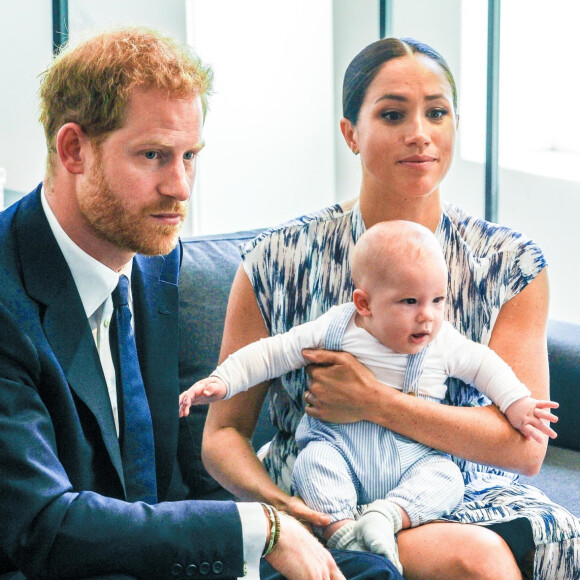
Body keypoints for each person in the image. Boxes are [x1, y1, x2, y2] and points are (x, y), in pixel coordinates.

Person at [0, 27, 403, 580]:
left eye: (190, 155)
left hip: (156, 554)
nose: (181, 187)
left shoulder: (152, 258)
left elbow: (164, 487)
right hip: (57, 566)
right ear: (73, 149)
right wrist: (257, 529)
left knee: (369, 574)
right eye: (153, 156)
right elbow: (42, 525)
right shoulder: (6, 300)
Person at [201, 37, 580, 580]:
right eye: (393, 114)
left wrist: (373, 400)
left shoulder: (508, 263)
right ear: (350, 133)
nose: (420, 133)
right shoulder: (276, 259)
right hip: (321, 490)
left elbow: (524, 450)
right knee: (479, 563)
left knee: (523, 547)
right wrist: (281, 513)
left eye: (437, 112)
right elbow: (222, 436)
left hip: (457, 488)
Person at [180, 219, 559, 574]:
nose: (427, 316)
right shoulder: (337, 328)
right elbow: (271, 352)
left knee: (445, 476)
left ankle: (388, 514)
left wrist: (518, 404)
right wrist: (222, 381)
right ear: (364, 304)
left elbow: (486, 367)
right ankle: (341, 530)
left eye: (438, 300)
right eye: (409, 302)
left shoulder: (442, 342)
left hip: (413, 455)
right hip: (340, 446)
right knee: (313, 464)